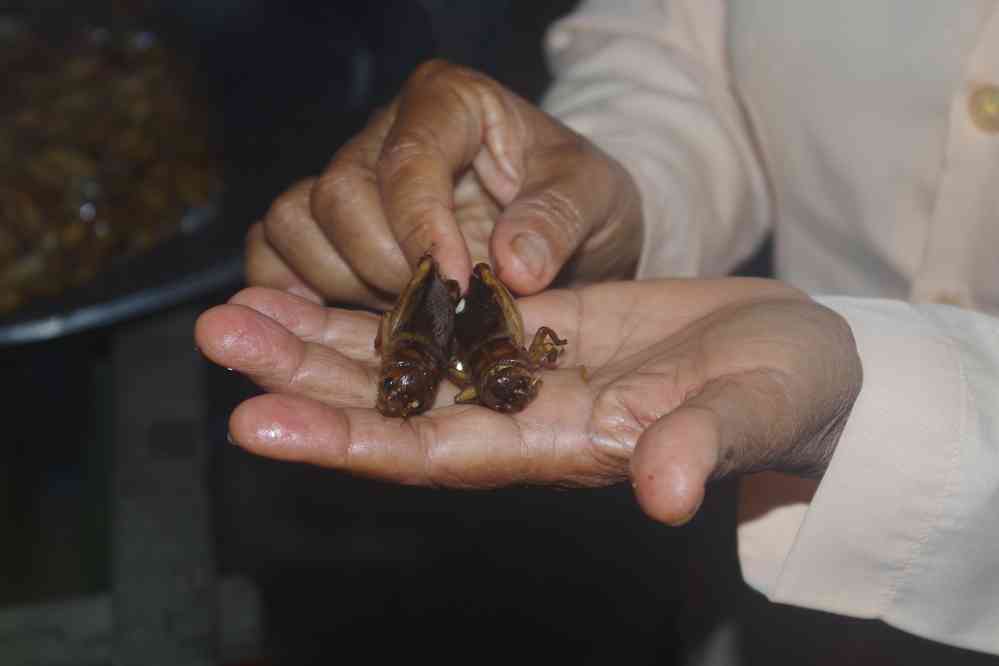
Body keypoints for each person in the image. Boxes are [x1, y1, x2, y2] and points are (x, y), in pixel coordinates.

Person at [195, 0, 999, 657]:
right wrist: (610, 184)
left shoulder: (484, 371)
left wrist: (896, 413)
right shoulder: (484, 365)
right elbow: (686, 36)